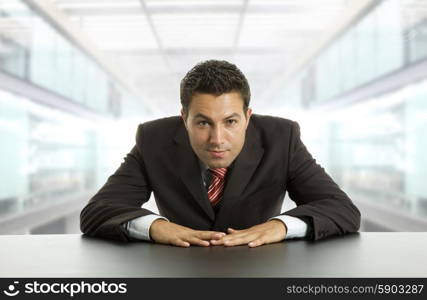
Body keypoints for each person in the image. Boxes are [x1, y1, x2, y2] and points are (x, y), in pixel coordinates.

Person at [80, 60, 360, 248]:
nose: (217, 139)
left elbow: (342, 209)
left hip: (261, 274)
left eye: (230, 121)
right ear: (184, 118)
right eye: (203, 123)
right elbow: (97, 211)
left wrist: (280, 226)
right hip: (178, 275)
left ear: (247, 117)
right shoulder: (154, 140)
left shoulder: (281, 137)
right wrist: (155, 226)